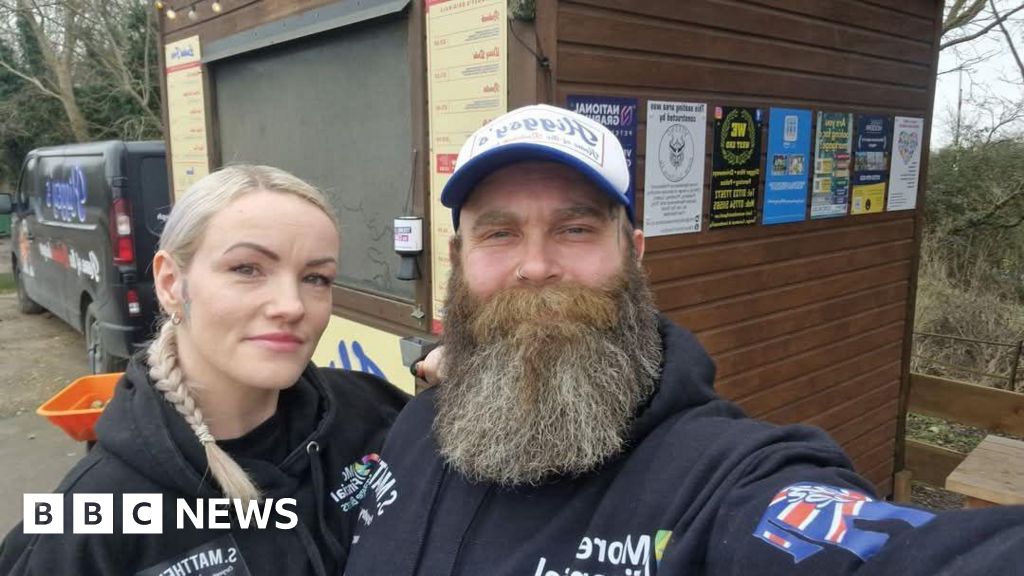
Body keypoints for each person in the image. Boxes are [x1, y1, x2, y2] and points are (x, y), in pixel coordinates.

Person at [343, 104, 1024, 575]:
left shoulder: (720, 480)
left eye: (576, 229)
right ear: (459, 260)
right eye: (499, 233)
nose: (536, 265)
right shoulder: (416, 428)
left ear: (635, 254)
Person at [0, 165, 410, 576]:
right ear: (170, 283)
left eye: (316, 278)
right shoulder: (83, 524)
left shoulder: (373, 412)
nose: (292, 305)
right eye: (246, 269)